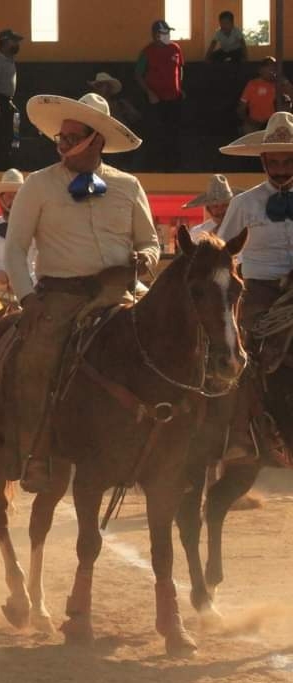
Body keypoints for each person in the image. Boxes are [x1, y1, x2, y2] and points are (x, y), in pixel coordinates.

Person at [4, 92, 159, 493]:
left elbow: (151, 241)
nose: (63, 142)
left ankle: (171, 448)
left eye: (73, 136)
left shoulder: (128, 185)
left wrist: (144, 258)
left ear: (98, 140)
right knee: (36, 359)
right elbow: (15, 247)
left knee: (168, 349)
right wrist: (27, 297)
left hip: (121, 291)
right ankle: (35, 453)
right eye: (62, 136)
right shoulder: (38, 184)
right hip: (60, 295)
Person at [216, 112, 293, 459]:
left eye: (286, 161)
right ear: (263, 161)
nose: (279, 168)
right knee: (242, 352)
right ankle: (239, 433)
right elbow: (222, 252)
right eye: (273, 161)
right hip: (256, 290)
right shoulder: (243, 204)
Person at [136, 19, 185, 171]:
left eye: (167, 33)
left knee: (175, 134)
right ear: (155, 35)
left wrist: (180, 87)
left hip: (175, 99)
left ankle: (175, 168)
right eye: (163, 33)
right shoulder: (147, 52)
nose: (166, 35)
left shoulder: (176, 48)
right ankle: (156, 168)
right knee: (157, 135)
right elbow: (138, 74)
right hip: (156, 101)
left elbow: (180, 69)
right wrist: (150, 93)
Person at [0, 29, 24, 168]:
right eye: (14, 41)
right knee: (2, 135)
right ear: (6, 42)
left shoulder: (9, 60)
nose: (17, 44)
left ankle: (12, 159)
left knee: (13, 131)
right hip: (0, 101)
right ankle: (1, 163)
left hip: (8, 101)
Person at [184, 174, 235, 241]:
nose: (220, 210)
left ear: (232, 206)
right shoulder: (197, 233)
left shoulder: (243, 229)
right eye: (215, 206)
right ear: (208, 209)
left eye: (225, 205)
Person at [238, 57, 279, 134]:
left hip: (272, 122)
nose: (272, 72)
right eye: (269, 68)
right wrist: (248, 121)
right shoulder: (252, 84)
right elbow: (241, 107)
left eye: (274, 69)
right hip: (254, 122)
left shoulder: (278, 84)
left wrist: (285, 83)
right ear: (261, 70)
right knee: (248, 131)